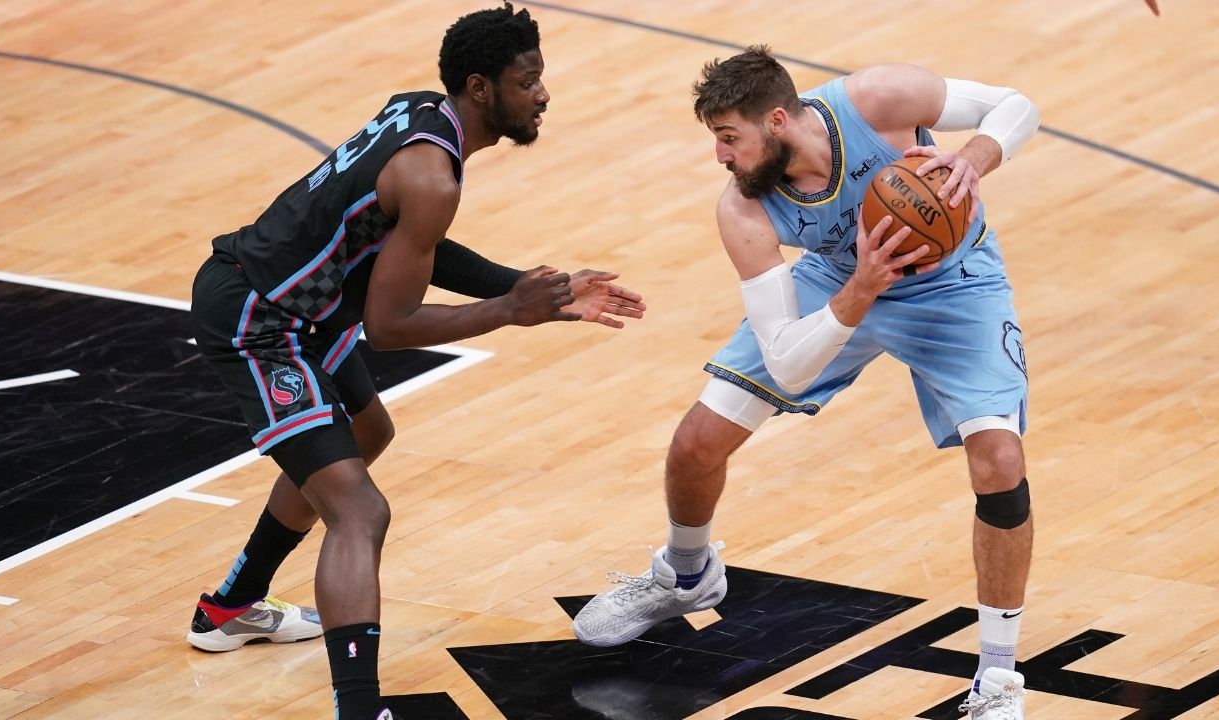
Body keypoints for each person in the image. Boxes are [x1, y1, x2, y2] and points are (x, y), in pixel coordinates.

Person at [186, 4, 645, 720]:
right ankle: (359, 709)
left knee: (368, 436)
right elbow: (392, 326)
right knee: (360, 511)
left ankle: (231, 607)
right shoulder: (432, 177)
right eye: (528, 81)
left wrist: (531, 288)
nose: (543, 93)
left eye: (541, 77)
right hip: (259, 317)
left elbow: (415, 246)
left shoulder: (421, 112)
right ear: (481, 87)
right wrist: (511, 310)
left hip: (309, 303)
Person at [572, 47, 1039, 719]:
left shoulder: (875, 101)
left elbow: (1015, 105)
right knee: (696, 443)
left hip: (953, 288)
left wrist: (975, 159)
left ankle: (995, 682)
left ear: (780, 122)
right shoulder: (743, 210)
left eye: (729, 138)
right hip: (842, 282)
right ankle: (686, 574)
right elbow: (790, 362)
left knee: (999, 459)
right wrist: (856, 294)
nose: (721, 157)